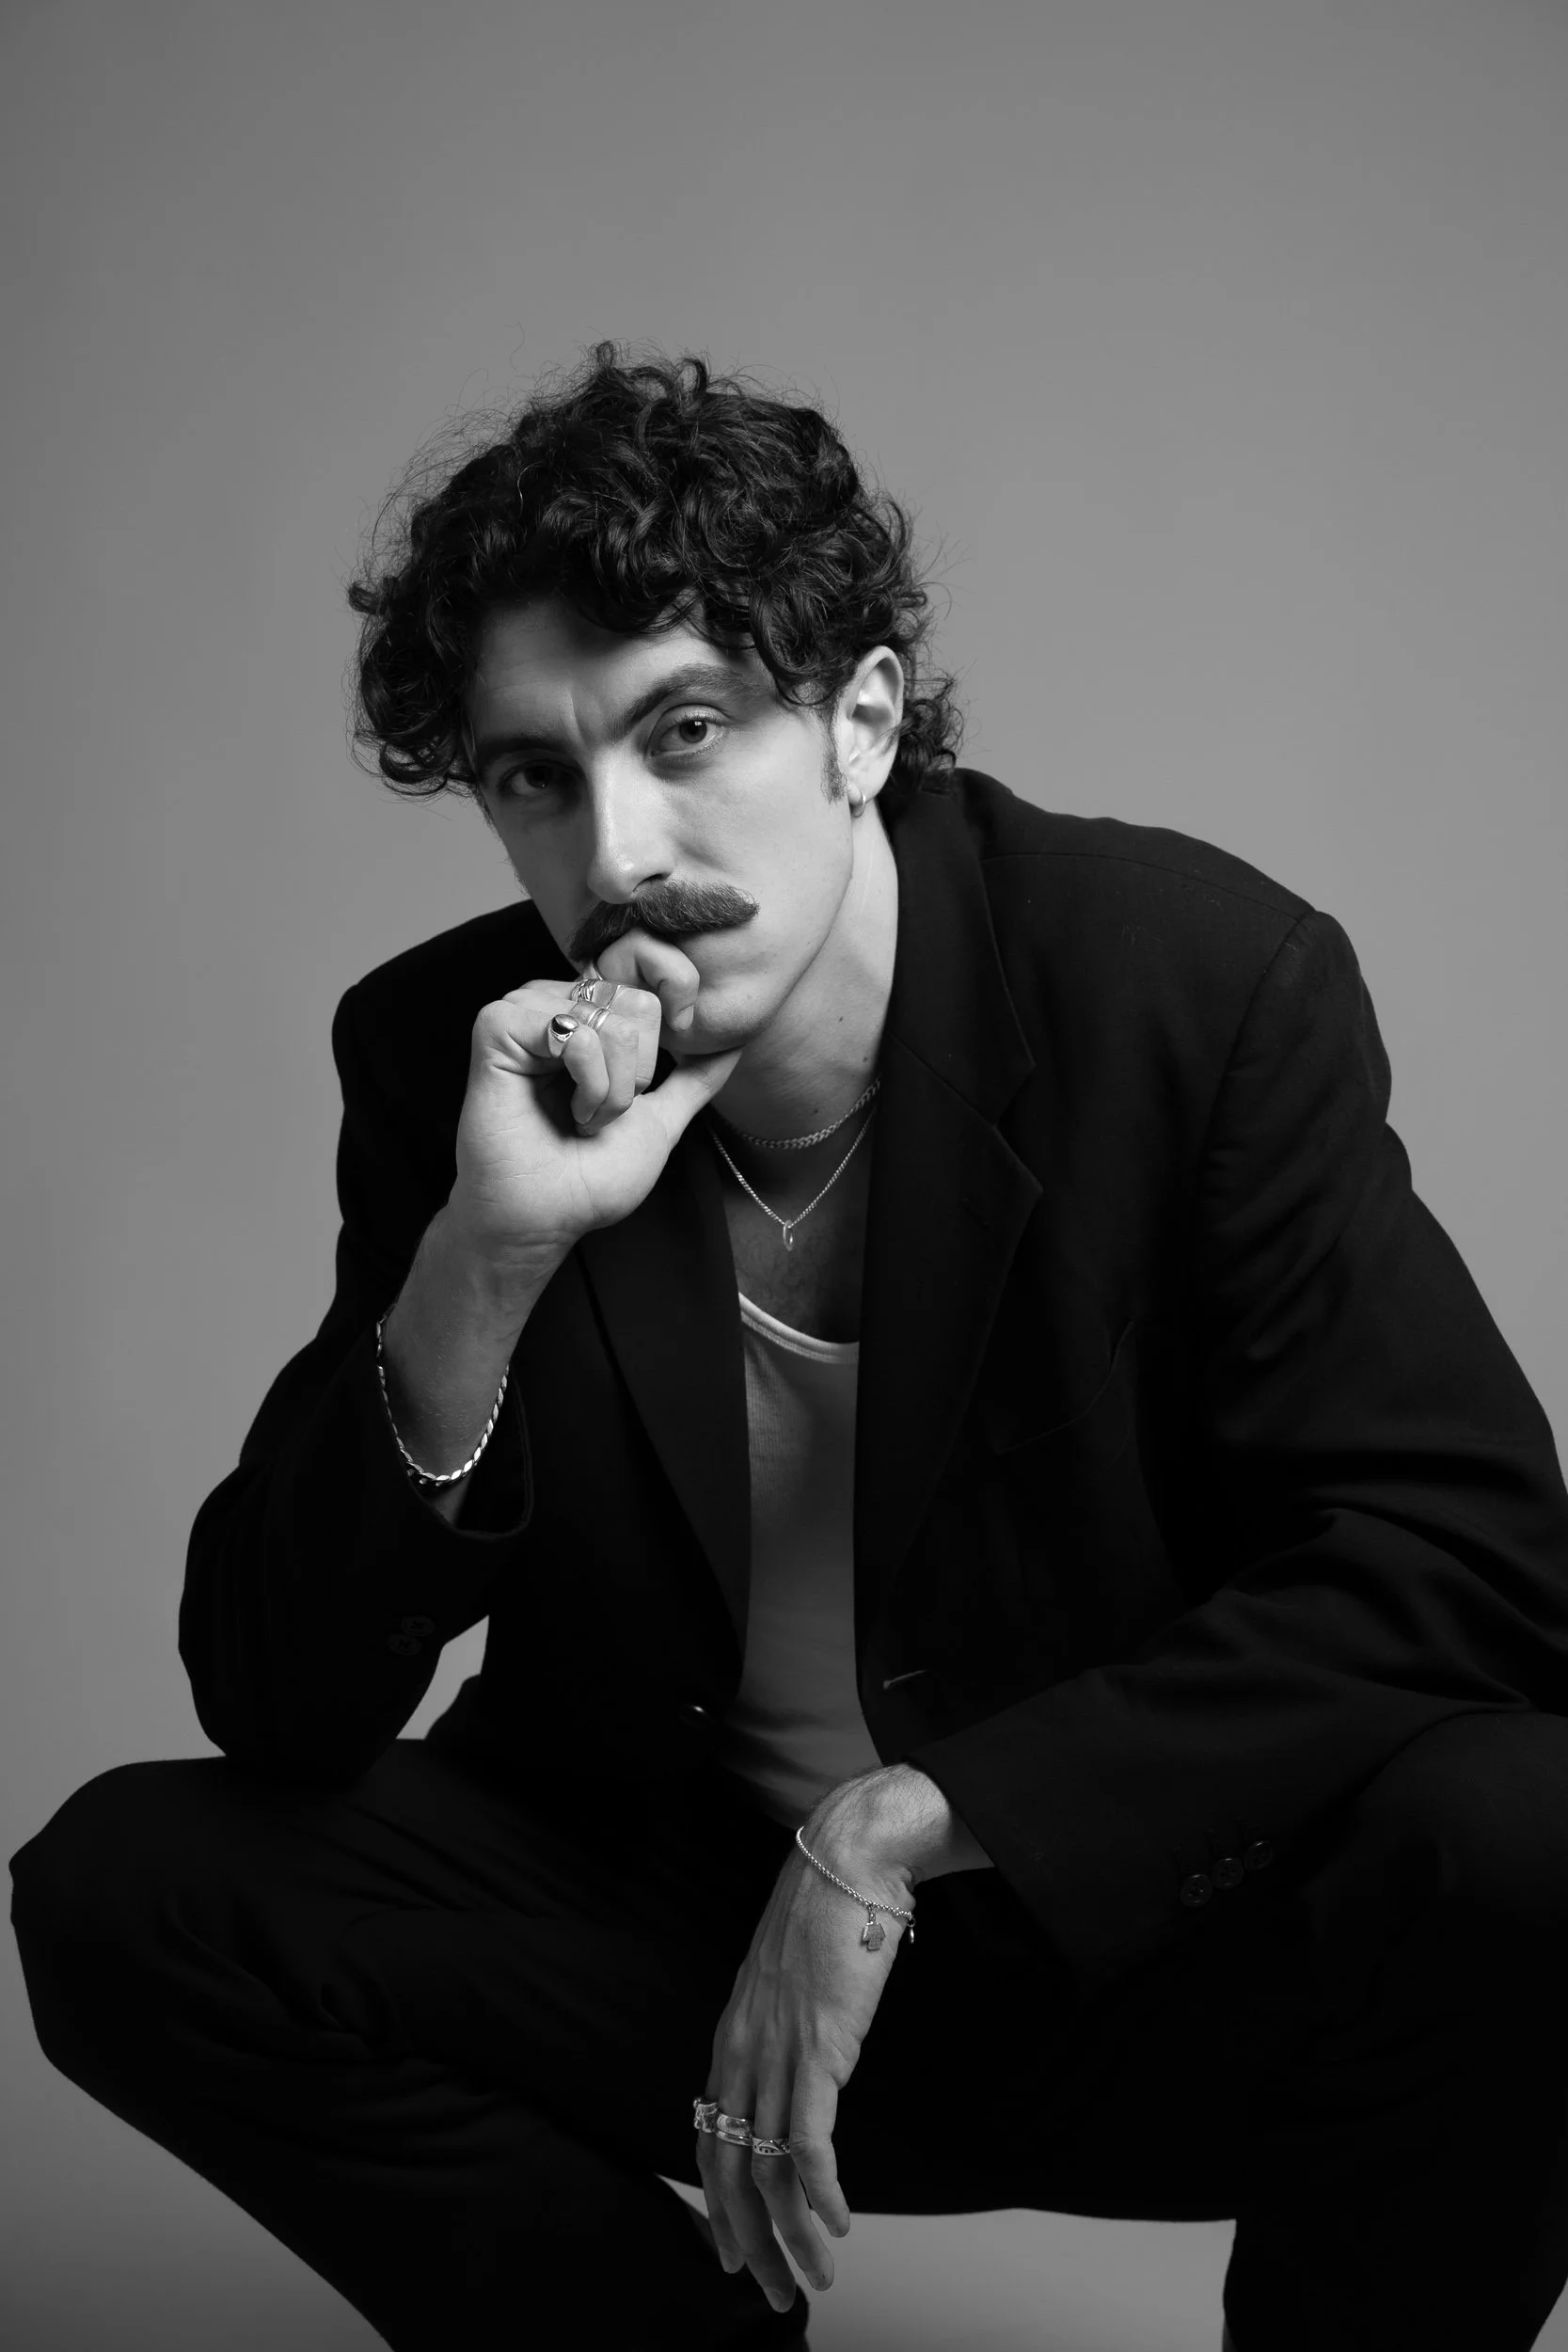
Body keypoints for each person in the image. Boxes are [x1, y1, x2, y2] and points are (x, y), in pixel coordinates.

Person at [11, 342, 1568, 2352]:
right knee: (131, 1889)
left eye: (683, 730)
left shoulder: (1185, 987)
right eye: (533, 778)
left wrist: (903, 1818)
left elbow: (1468, 1566)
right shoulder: (448, 1059)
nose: (619, 848)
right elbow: (278, 1701)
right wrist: (479, 1262)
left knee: (1534, 1830)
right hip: (680, 1939)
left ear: (856, 719)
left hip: (1150, 1943)